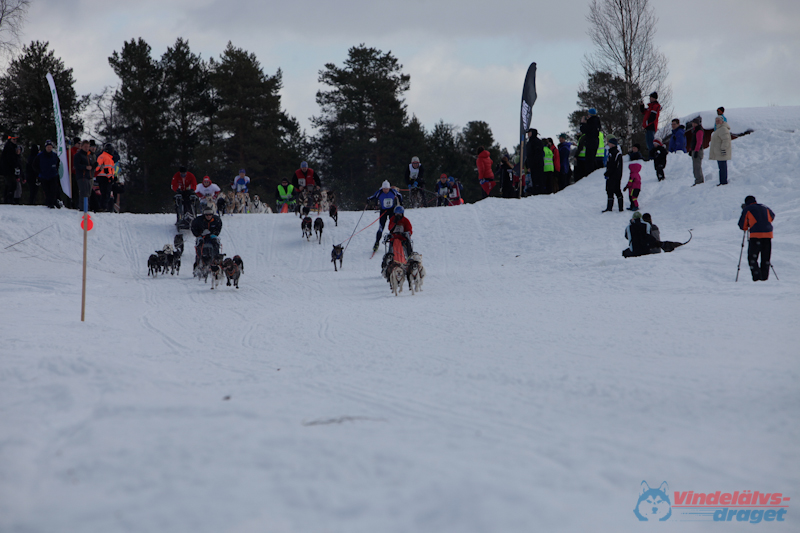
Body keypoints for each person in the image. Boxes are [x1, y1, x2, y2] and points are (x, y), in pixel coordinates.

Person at [738, 196, 775, 281]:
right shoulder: (765, 207)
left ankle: (756, 276)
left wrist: (750, 224)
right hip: (768, 235)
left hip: (756, 235)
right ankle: (764, 277)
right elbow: (772, 216)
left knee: (752, 257)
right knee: (766, 257)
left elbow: (742, 226)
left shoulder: (748, 209)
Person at [368, 180, 402, 252]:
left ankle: (394, 242)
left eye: (387, 189)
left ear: (389, 188)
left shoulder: (393, 191)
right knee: (381, 228)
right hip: (383, 211)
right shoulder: (379, 192)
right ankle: (377, 243)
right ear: (382, 188)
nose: (385, 190)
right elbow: (373, 196)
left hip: (392, 211)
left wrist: (401, 203)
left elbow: (400, 195)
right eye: (384, 189)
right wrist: (368, 199)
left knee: (393, 226)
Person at [33, 140, 61, 208]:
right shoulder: (40, 155)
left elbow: (58, 163)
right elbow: (34, 165)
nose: (49, 148)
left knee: (53, 190)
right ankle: (49, 203)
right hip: (44, 176)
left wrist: (55, 170)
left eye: (50, 147)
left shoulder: (54, 155)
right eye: (48, 147)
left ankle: (53, 201)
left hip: (53, 175)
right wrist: (40, 171)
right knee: (46, 190)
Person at [602, 137, 624, 213]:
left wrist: (609, 172)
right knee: (609, 190)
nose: (608, 144)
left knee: (616, 190)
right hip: (612, 175)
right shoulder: (611, 152)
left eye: (609, 143)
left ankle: (620, 207)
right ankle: (609, 207)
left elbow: (614, 165)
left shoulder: (616, 153)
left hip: (615, 175)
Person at [709, 116, 731, 186]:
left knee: (722, 167)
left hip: (722, 152)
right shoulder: (718, 129)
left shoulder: (723, 129)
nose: (717, 122)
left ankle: (723, 182)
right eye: (716, 121)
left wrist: (723, 148)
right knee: (721, 167)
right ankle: (722, 181)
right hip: (719, 152)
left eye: (718, 120)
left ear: (722, 121)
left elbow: (726, 140)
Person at [639, 92, 661, 158]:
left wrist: (645, 125)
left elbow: (652, 118)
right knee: (649, 143)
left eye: (650, 97)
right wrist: (642, 105)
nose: (649, 99)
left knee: (650, 144)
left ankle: (652, 157)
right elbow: (643, 112)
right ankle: (651, 157)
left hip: (651, 127)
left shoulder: (655, 106)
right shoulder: (650, 107)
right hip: (648, 127)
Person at [95, 143, 116, 211]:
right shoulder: (107, 157)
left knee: (103, 193)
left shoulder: (102, 156)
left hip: (100, 177)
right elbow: (107, 169)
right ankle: (103, 207)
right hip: (105, 178)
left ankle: (102, 207)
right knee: (106, 193)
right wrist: (110, 177)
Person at [74, 140, 93, 208]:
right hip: (82, 176)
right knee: (83, 193)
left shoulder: (89, 156)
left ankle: (86, 207)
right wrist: (85, 167)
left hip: (89, 177)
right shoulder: (78, 155)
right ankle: (82, 208)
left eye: (88, 147)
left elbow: (92, 166)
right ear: (81, 147)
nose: (86, 148)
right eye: (85, 146)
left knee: (88, 193)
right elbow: (77, 165)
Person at [1, 133, 19, 203]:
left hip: (10, 169)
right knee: (11, 184)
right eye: (13, 139)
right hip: (8, 169)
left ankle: (8, 199)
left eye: (15, 139)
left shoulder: (13, 147)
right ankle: (8, 199)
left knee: (10, 184)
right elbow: (10, 159)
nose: (15, 140)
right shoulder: (9, 147)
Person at [524, 129, 544, 194]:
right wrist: (528, 165)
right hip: (531, 165)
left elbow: (537, 154)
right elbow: (528, 155)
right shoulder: (529, 143)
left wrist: (532, 164)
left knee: (538, 180)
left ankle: (539, 192)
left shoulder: (537, 142)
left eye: (529, 133)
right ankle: (534, 191)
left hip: (537, 165)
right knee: (533, 180)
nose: (528, 134)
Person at [688, 118, 705, 186]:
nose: (693, 124)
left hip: (697, 151)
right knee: (695, 166)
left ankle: (699, 180)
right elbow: (693, 141)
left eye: (694, 123)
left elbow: (699, 142)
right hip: (694, 150)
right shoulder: (695, 131)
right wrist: (690, 149)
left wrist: (696, 151)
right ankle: (697, 179)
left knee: (697, 166)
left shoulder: (699, 131)